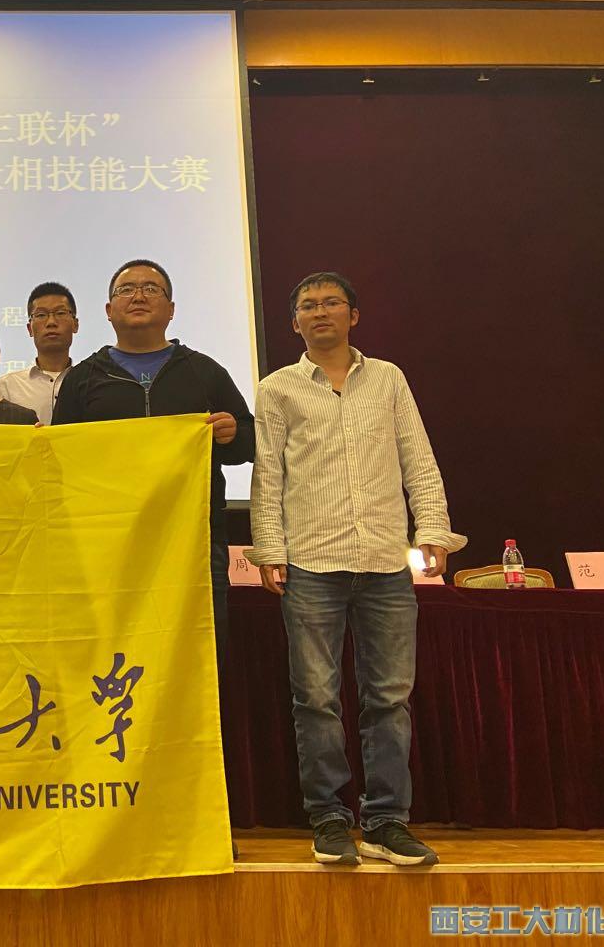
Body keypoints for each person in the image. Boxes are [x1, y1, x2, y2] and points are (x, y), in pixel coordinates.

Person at [247, 272, 465, 868]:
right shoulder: (277, 389)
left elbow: (418, 459)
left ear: (353, 315)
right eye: (308, 306)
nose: (320, 312)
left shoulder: (388, 378)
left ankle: (387, 822)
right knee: (316, 699)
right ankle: (329, 819)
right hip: (310, 563)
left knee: (390, 699)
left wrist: (433, 528)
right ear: (294, 323)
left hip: (385, 563)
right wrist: (269, 549)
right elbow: (269, 475)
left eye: (331, 303)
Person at [51, 258, 254, 673]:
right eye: (126, 290)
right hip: (108, 549)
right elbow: (61, 463)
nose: (139, 296)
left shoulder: (204, 372)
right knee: (113, 660)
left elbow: (250, 444)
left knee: (198, 661)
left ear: (171, 309)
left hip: (194, 544)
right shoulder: (83, 379)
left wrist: (232, 434)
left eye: (151, 289)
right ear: (108, 310)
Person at [0, 281, 77, 426]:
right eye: (41, 315)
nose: (51, 322)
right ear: (29, 329)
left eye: (60, 313)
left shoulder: (90, 382)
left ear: (75, 325)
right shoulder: (7, 387)